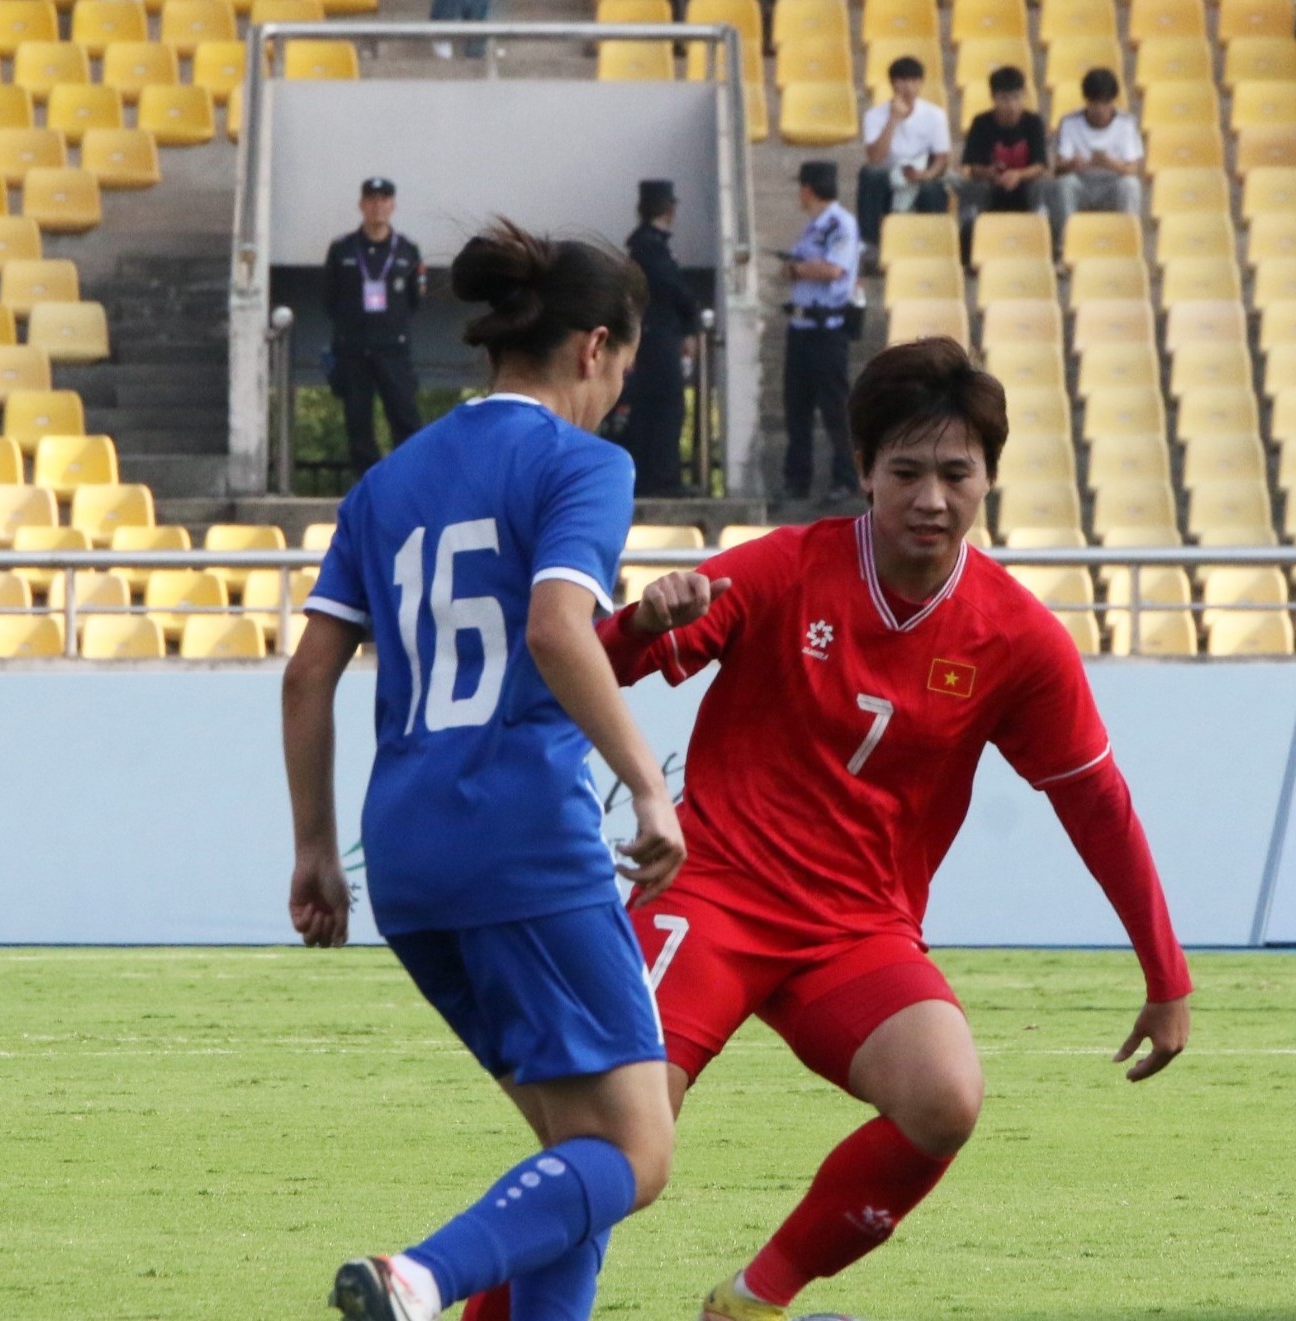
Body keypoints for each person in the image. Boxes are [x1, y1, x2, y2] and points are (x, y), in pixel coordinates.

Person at [459, 336, 1193, 1321]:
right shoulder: (782, 569)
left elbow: (1093, 801)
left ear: (987, 478)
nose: (930, 497)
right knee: (614, 1139)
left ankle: (752, 1302)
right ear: (862, 471)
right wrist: (639, 623)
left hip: (857, 930)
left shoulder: (1016, 638)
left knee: (944, 1097)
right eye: (905, 471)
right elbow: (592, 663)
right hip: (709, 893)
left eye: (954, 473)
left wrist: (1164, 973)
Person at [285, 218, 683, 1321]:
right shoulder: (583, 462)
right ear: (595, 348)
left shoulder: (389, 479)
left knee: (570, 1158)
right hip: (522, 840)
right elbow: (557, 629)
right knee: (637, 1152)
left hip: (405, 856)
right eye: (626, 367)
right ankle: (420, 1277)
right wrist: (648, 785)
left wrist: (316, 850)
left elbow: (308, 672)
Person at [324, 177, 426, 478]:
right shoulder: (342, 249)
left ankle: (409, 481)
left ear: (392, 206)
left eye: (383, 200)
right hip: (353, 350)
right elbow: (330, 299)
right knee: (358, 423)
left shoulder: (407, 250)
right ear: (361, 204)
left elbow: (413, 301)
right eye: (371, 199)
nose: (377, 206)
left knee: (405, 417)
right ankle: (366, 486)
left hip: (392, 349)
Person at [781, 160, 862, 505]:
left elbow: (833, 269)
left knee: (835, 410)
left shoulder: (840, 224)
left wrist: (796, 269)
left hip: (827, 329)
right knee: (796, 408)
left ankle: (845, 478)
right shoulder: (814, 226)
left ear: (808, 189)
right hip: (801, 327)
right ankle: (797, 480)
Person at [617, 179, 703, 498]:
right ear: (668, 209)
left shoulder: (648, 246)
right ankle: (661, 477)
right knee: (666, 404)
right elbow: (671, 289)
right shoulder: (649, 248)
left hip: (657, 333)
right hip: (658, 335)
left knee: (658, 405)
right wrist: (691, 316)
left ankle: (657, 474)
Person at [956, 67, 1058, 256]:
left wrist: (1017, 175)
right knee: (971, 188)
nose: (1011, 105)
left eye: (1016, 98)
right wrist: (992, 174)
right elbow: (974, 167)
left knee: (1044, 187)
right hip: (992, 184)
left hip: (1025, 185)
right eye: (1004, 99)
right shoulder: (980, 123)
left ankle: (1045, 244)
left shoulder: (1033, 122)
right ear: (994, 98)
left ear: (1024, 96)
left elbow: (1040, 165)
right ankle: (968, 249)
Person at [856, 56, 952, 253]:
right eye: (902, 81)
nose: (908, 87)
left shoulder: (935, 115)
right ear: (892, 84)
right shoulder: (874, 116)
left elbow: (942, 158)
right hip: (889, 176)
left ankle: (932, 246)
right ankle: (870, 244)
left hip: (922, 173)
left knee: (932, 189)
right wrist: (893, 119)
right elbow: (875, 158)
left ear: (920, 84)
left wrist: (926, 175)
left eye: (914, 81)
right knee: (870, 174)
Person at [1052, 68, 1144, 229]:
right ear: (1087, 100)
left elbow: (1133, 169)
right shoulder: (1069, 122)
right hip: (1082, 183)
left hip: (1112, 184)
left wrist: (1110, 163)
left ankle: (1128, 236)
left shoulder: (1126, 124)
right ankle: (1065, 240)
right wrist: (1072, 164)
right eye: (1095, 102)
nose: (1100, 109)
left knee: (1130, 185)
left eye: (1105, 102)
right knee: (1065, 184)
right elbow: (1058, 168)